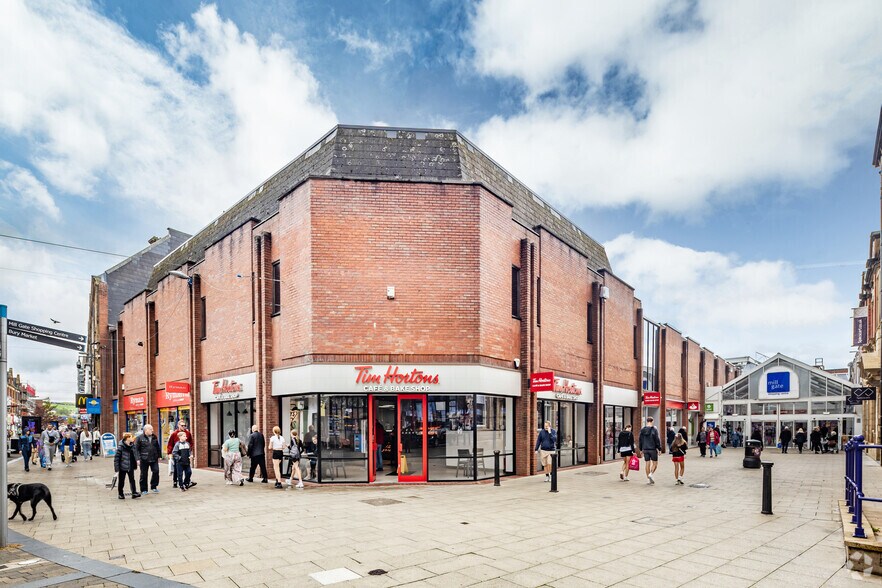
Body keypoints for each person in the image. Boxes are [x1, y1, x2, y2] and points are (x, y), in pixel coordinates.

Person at [166, 421, 194, 488]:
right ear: (178, 425)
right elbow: (170, 444)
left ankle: (187, 482)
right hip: (177, 453)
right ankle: (175, 482)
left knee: (188, 470)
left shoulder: (188, 433)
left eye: (184, 425)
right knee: (177, 469)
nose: (183, 426)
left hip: (185, 453)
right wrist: (170, 453)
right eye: (182, 425)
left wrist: (190, 452)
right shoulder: (174, 434)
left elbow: (191, 442)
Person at [135, 424, 161, 494]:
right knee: (144, 474)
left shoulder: (154, 437)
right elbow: (136, 449)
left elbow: (157, 447)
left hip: (154, 458)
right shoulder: (139, 438)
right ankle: (143, 489)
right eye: (151, 429)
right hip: (144, 459)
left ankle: (154, 486)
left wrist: (159, 456)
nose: (152, 430)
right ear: (146, 430)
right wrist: (137, 459)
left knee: (156, 471)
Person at [114, 432, 140, 500]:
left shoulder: (132, 446)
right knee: (121, 480)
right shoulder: (121, 447)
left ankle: (134, 492)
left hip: (131, 465)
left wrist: (137, 460)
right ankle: (120, 494)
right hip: (122, 466)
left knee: (132, 480)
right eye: (131, 437)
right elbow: (116, 458)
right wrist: (117, 469)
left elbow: (135, 454)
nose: (133, 438)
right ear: (127, 438)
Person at [639, 417, 662, 485]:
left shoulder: (642, 430)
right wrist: (659, 449)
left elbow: (640, 440)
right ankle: (651, 474)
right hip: (652, 449)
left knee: (647, 464)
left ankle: (648, 480)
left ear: (647, 421)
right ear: (652, 421)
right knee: (655, 463)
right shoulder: (654, 430)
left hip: (645, 449)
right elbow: (657, 440)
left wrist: (641, 449)